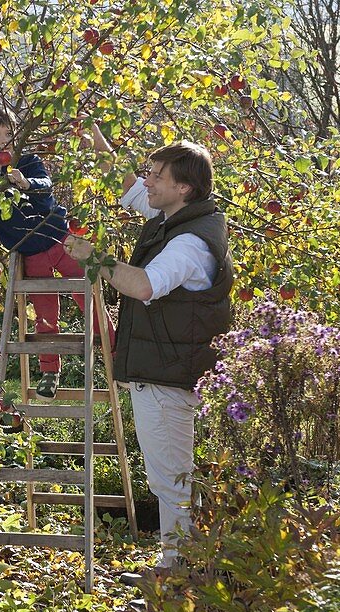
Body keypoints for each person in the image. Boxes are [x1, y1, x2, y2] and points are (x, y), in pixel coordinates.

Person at [68, 126, 234, 574]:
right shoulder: (175, 219)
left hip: (168, 373)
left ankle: (177, 568)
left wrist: (93, 259)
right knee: (171, 471)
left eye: (157, 175)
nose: (147, 181)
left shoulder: (189, 244)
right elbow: (128, 186)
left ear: (183, 187)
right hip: (165, 366)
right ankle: (184, 559)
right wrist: (97, 142)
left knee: (170, 476)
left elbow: (143, 285)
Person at [0, 104, 116, 402]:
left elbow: (46, 189)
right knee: (45, 313)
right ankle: (50, 371)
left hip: (59, 240)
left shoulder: (27, 162)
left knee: (89, 297)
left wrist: (26, 183)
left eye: (8, 134)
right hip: (29, 253)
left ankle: (116, 352)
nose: (4, 141)